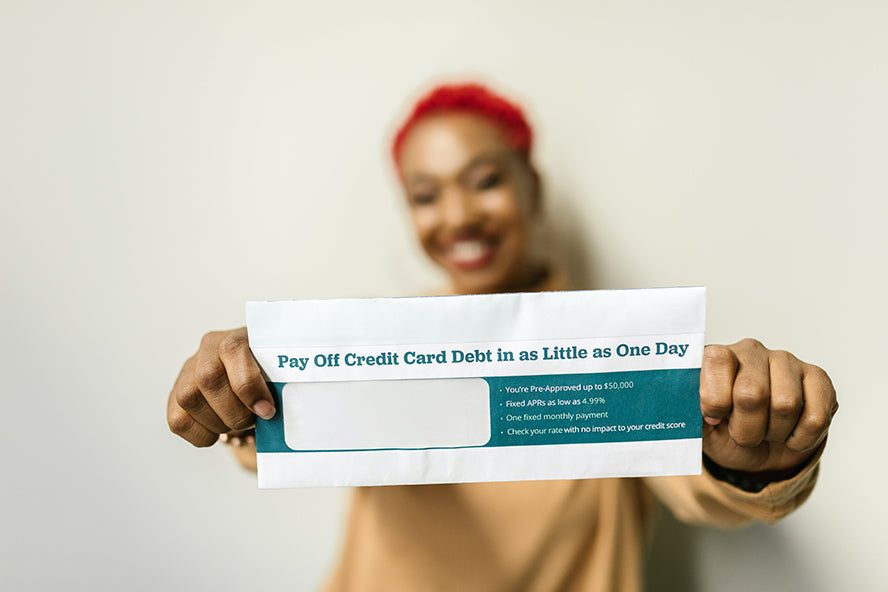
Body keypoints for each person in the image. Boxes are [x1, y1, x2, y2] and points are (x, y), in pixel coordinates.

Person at [167, 82, 838, 591]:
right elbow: (278, 434)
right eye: (426, 195)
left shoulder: (625, 353)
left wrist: (752, 457)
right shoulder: (371, 350)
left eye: (485, 181)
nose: (457, 215)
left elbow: (702, 485)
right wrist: (241, 388)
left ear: (532, 186)